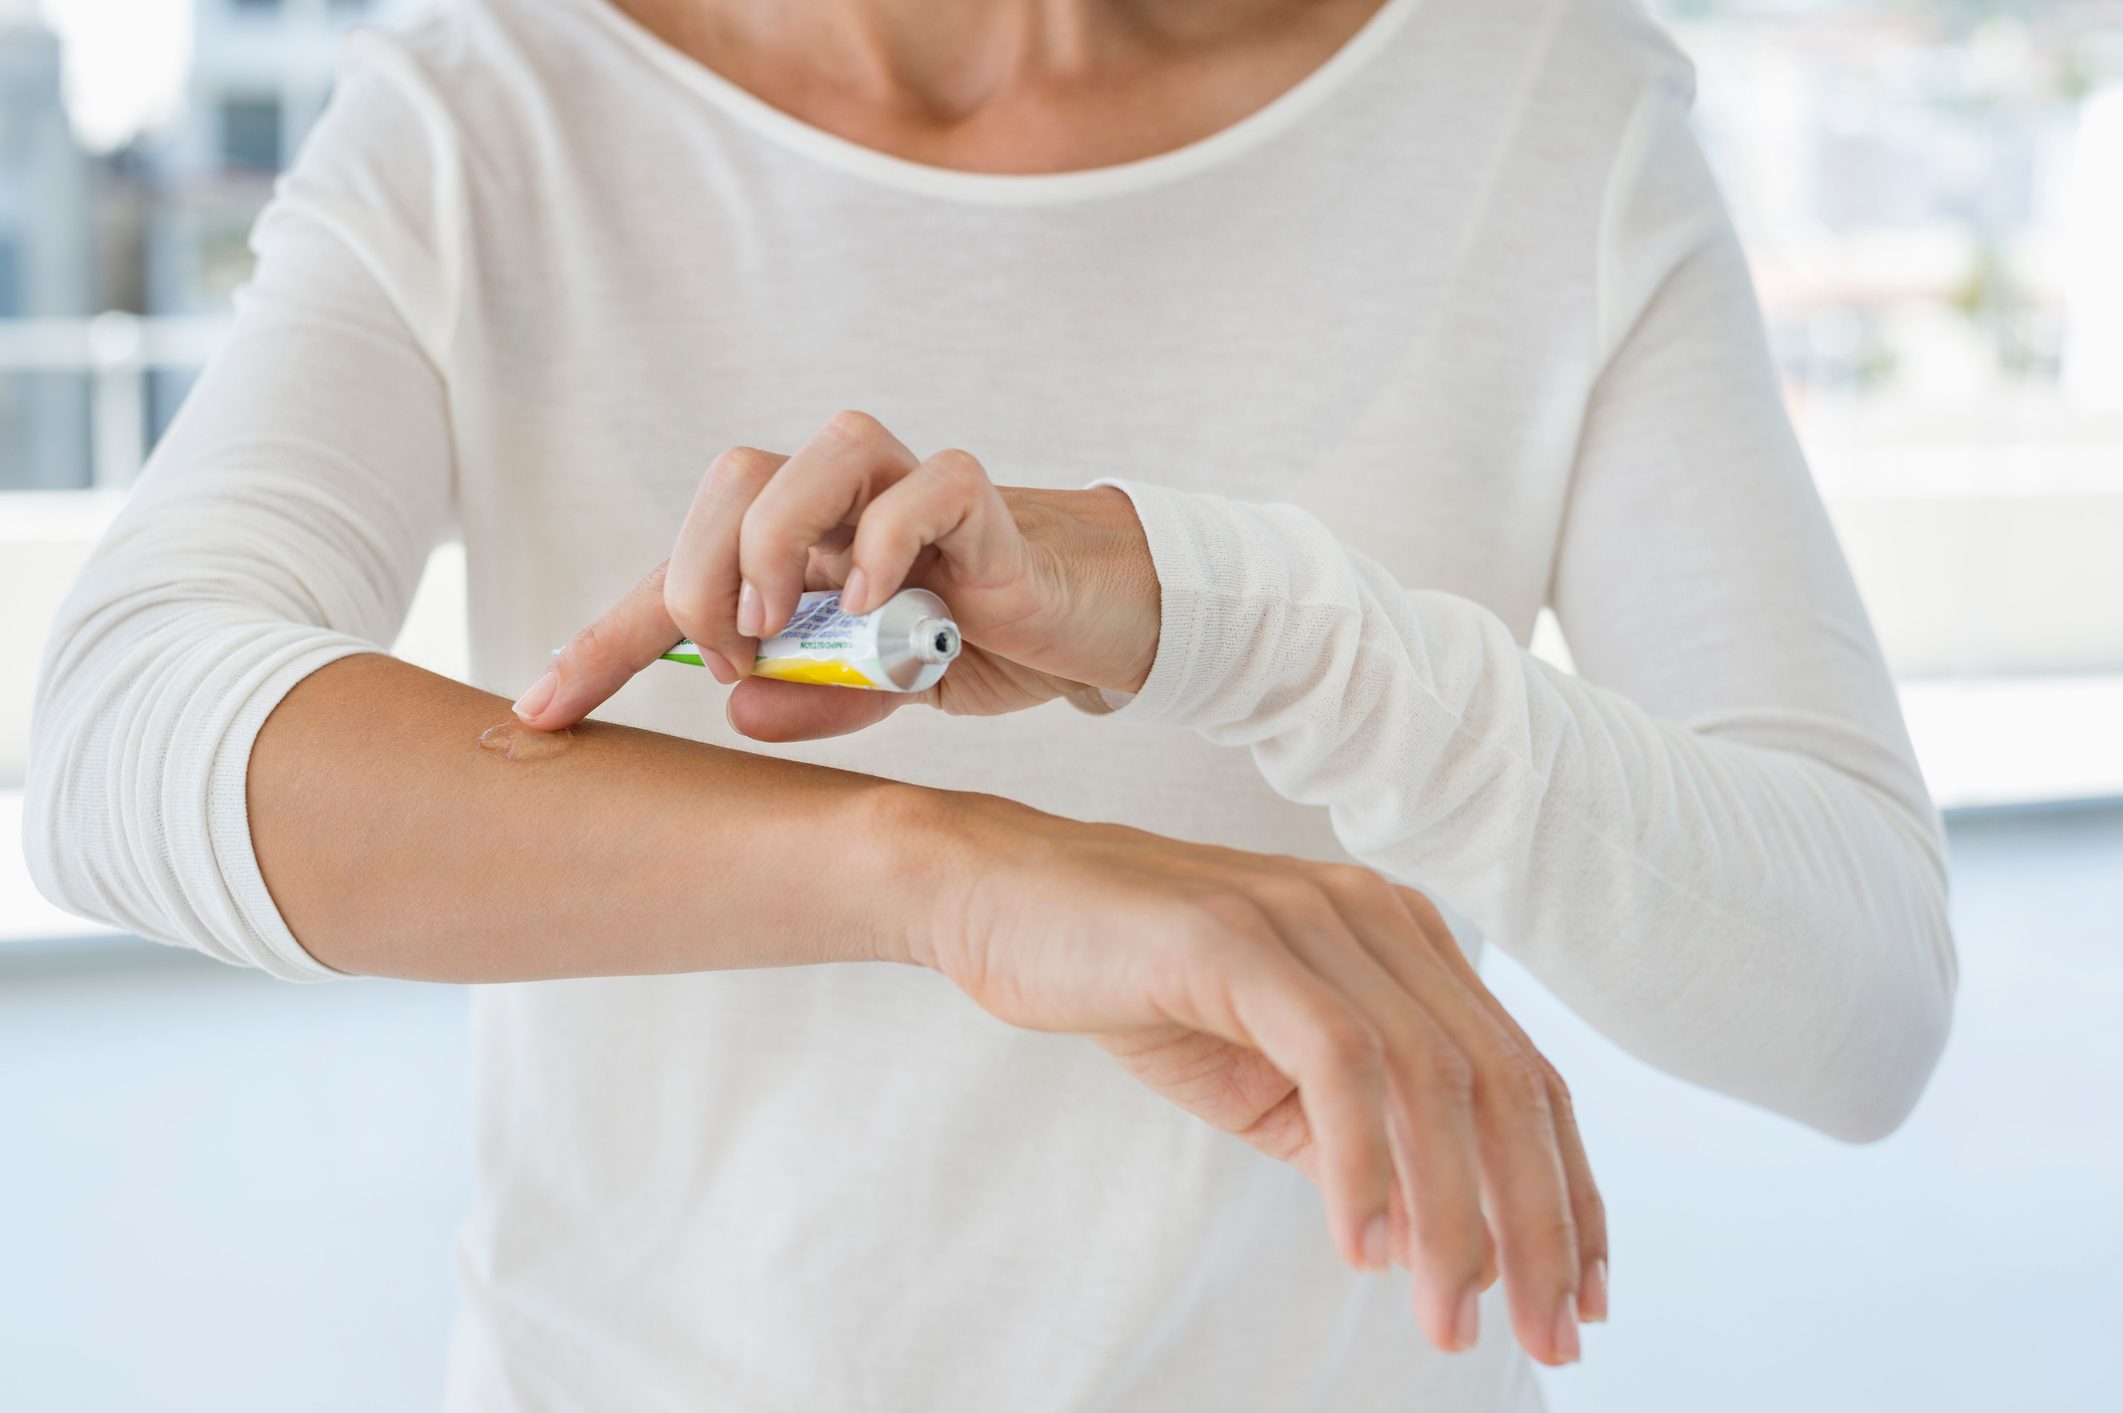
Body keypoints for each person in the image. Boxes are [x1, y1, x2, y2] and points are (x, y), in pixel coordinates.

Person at [23, 0, 1957, 1406]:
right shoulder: (488, 106)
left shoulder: (1545, 105)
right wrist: (953, 871)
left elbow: (1858, 996)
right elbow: (123, 737)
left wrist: (1246, 617)